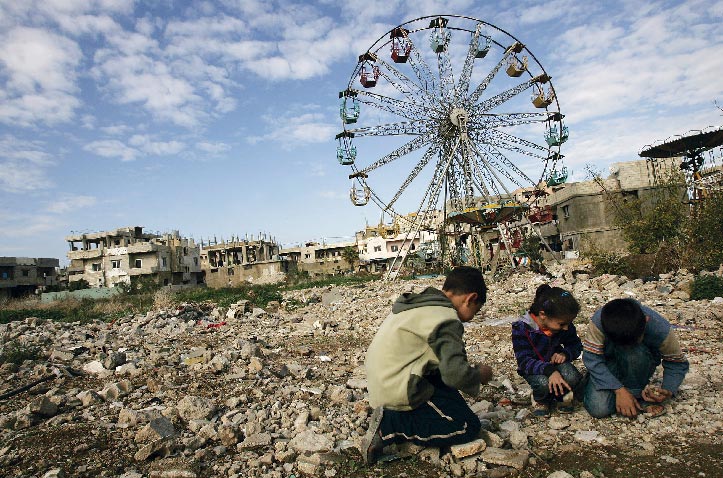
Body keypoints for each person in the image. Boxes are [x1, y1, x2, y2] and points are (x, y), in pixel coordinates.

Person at [361, 266, 494, 464]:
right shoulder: (446, 319)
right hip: (397, 386)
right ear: (470, 298)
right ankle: (390, 425)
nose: (474, 316)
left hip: (384, 379)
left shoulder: (422, 305)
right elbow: (455, 374)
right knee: (467, 426)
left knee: (451, 397)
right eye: (476, 310)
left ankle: (398, 414)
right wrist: (478, 374)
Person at [582, 298, 689, 418]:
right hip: (608, 363)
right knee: (599, 409)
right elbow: (592, 358)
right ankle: (628, 395)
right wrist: (619, 390)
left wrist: (668, 388)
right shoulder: (599, 322)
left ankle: (634, 393)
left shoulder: (660, 329)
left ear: (646, 321)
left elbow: (677, 362)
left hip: (638, 361)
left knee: (633, 353)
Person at [511, 284, 584, 416]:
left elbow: (576, 345)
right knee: (543, 383)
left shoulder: (563, 324)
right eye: (562, 324)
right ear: (543, 315)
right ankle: (541, 399)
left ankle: (561, 394)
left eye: (568, 324)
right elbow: (524, 361)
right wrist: (550, 371)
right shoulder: (522, 328)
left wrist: (565, 354)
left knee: (572, 376)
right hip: (534, 369)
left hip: (556, 364)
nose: (566, 328)